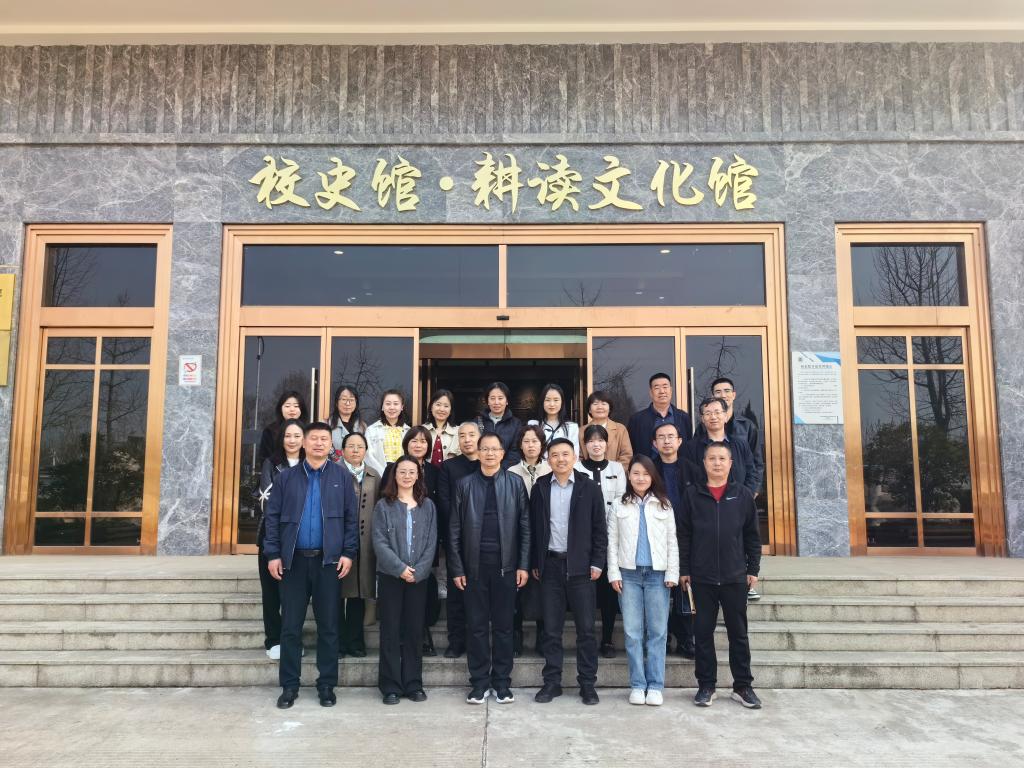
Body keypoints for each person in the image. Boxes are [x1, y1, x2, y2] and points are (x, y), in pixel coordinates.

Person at [263, 421, 359, 710]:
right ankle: (289, 686)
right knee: (290, 627)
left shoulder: (342, 477)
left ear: (331, 445)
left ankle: (326, 685)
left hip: (328, 562)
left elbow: (351, 519)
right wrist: (273, 554)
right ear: (304, 443)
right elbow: (272, 518)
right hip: (292, 563)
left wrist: (348, 552)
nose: (319, 443)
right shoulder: (286, 478)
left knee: (329, 626)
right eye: (313, 439)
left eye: (324, 439)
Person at [678, 441, 763, 710]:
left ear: (730, 463)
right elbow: (683, 535)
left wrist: (753, 569)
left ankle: (743, 686)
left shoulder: (742, 495)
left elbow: (752, 536)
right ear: (704, 463)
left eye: (722, 459)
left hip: (734, 576)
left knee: (739, 634)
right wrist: (684, 569)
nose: (717, 463)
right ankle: (706, 685)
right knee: (702, 633)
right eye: (712, 458)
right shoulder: (692, 495)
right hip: (701, 577)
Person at [449, 432, 531, 705]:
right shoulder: (464, 484)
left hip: (506, 567)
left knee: (504, 627)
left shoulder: (515, 483)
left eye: (495, 449)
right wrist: (457, 568)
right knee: (476, 627)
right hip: (474, 568)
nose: (490, 454)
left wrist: (523, 565)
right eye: (485, 449)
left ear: (502, 453)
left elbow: (525, 527)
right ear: (478, 452)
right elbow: (454, 530)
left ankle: (502, 682)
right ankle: (479, 683)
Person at [529, 437, 608, 706]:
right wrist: (535, 562)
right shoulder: (540, 487)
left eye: (565, 454)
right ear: (548, 459)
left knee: (586, 630)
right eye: (555, 455)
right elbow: (534, 528)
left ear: (575, 457)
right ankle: (552, 682)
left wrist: (597, 562)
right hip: (550, 566)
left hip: (581, 568)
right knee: (551, 630)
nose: (560, 459)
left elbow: (599, 528)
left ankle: (587, 684)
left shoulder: (589, 487)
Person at [607, 455, 679, 706]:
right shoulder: (619, 504)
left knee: (658, 632)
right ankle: (638, 684)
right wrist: (614, 573)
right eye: (636, 473)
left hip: (657, 575)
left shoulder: (664, 505)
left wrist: (672, 573)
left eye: (646, 474)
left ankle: (655, 686)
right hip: (628, 575)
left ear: (653, 477)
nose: (640, 478)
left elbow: (672, 542)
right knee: (632, 632)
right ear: (629, 476)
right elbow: (612, 542)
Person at [372, 455, 438, 704]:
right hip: (391, 576)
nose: (407, 476)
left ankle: (413, 683)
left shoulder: (427, 506)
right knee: (390, 629)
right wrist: (400, 568)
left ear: (418, 476)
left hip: (418, 578)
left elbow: (431, 541)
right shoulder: (383, 506)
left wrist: (418, 571)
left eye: (412, 472)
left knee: (414, 630)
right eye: (402, 472)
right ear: (395, 475)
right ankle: (390, 685)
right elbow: (379, 541)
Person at [703, 377, 766, 601]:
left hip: (740, 495)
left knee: (744, 537)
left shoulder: (746, 426)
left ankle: (748, 582)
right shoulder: (705, 427)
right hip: (713, 496)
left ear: (734, 394)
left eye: (726, 390)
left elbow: (756, 463)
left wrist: (751, 490)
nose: (723, 394)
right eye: (717, 391)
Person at [380, 426, 441, 656]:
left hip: (423, 544)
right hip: (395, 549)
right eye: (414, 440)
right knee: (393, 618)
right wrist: (398, 566)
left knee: (419, 606)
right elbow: (383, 520)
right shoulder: (391, 471)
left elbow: (437, 509)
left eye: (423, 441)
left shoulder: (434, 472)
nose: (418, 445)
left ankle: (421, 639)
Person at [576, 424, 627, 659]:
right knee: (586, 591)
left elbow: (621, 501)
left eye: (600, 440)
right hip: (584, 539)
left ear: (607, 444)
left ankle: (607, 639)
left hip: (612, 536)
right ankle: (584, 639)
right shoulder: (576, 468)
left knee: (608, 592)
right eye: (591, 441)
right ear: (585, 445)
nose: (596, 445)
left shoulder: (616, 468)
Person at [256, 418, 305, 661]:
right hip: (272, 536)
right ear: (281, 438)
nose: (292, 440)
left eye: (297, 436)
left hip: (301, 540)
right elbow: (266, 500)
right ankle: (273, 639)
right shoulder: (271, 464)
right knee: (271, 593)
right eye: (288, 436)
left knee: (294, 595)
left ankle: (291, 639)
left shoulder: (310, 464)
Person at [437, 421, 482, 658]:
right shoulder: (449, 467)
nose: (467, 439)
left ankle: (477, 642)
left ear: (480, 437)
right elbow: (445, 502)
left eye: (471, 435)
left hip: (487, 541)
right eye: (462, 435)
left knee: (481, 595)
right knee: (457, 594)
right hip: (458, 539)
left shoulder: (489, 463)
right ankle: (456, 642)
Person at [651, 421, 695, 659]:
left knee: (684, 588)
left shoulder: (692, 470)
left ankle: (687, 639)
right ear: (654, 443)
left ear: (679, 441)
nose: (666, 441)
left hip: (686, 536)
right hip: (657, 537)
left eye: (671, 436)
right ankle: (664, 638)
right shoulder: (649, 469)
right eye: (661, 437)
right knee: (660, 590)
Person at [506, 424, 551, 657]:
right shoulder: (511, 472)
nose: (531, 445)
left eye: (535, 441)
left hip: (546, 538)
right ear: (520, 445)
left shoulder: (551, 468)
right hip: (517, 536)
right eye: (526, 441)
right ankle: (516, 635)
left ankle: (544, 635)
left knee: (544, 588)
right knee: (517, 588)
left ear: (542, 444)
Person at [337, 431, 380, 658]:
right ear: (342, 450)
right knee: (336, 595)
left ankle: (355, 641)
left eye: (360, 446)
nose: (355, 450)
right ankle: (337, 642)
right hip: (338, 542)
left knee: (358, 594)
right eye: (351, 446)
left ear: (365, 450)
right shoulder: (333, 472)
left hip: (365, 544)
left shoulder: (373, 475)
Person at [683, 397, 759, 496]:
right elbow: (689, 479)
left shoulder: (741, 444)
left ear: (726, 416)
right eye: (708, 413)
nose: (713, 417)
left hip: (739, 501)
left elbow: (752, 474)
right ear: (702, 419)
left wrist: (745, 497)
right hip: (704, 502)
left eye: (717, 412)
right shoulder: (691, 448)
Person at [626, 373, 692, 460]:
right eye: (657, 388)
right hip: (647, 467)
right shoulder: (637, 420)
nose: (662, 391)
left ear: (671, 390)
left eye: (665, 387)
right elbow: (631, 449)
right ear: (651, 393)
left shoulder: (683, 417)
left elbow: (688, 446)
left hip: (678, 467)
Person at [579, 390, 633, 468]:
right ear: (589, 409)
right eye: (595, 404)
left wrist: (614, 472)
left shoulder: (620, 429)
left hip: (615, 474)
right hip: (588, 474)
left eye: (604, 404)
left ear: (609, 408)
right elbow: (579, 457)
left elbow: (626, 455)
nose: (600, 407)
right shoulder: (581, 431)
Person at [257, 390, 309, 467]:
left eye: (296, 406)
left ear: (302, 409)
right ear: (280, 409)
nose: (292, 409)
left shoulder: (309, 431)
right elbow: (264, 459)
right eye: (287, 406)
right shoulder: (270, 431)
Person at [365, 389, 411, 475]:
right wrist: (384, 474)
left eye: (396, 404)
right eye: (388, 404)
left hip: (403, 475)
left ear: (402, 407)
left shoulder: (408, 431)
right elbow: (368, 456)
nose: (392, 407)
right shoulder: (371, 430)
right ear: (382, 407)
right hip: (378, 475)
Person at [529, 383, 579, 455]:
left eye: (556, 400)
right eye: (547, 400)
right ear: (542, 402)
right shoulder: (533, 424)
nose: (552, 404)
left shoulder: (572, 427)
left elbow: (575, 455)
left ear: (562, 402)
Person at [480, 381, 522, 466]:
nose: (496, 402)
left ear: (507, 401)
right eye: (492, 398)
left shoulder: (516, 424)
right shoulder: (477, 422)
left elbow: (515, 452)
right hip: (481, 470)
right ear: (487, 401)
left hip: (506, 471)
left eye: (500, 398)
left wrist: (500, 470)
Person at [329, 385, 368, 462]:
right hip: (333, 467)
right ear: (336, 402)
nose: (347, 403)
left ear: (356, 403)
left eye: (351, 400)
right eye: (344, 399)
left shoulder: (362, 427)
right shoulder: (326, 424)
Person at [423, 388, 461, 465]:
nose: (441, 409)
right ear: (431, 407)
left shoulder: (459, 432)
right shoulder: (421, 430)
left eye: (446, 406)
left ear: (451, 410)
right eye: (438, 404)